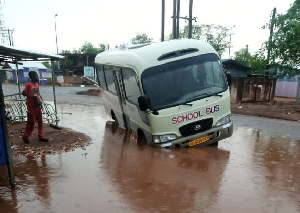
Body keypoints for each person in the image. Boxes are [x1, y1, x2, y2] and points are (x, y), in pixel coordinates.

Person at [22, 71, 48, 143]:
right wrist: (30, 97)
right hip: (31, 106)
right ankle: (25, 136)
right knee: (31, 122)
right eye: (37, 75)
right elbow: (23, 93)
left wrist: (40, 103)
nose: (38, 77)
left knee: (40, 121)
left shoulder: (36, 85)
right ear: (33, 76)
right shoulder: (28, 85)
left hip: (37, 106)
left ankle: (41, 136)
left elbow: (37, 95)